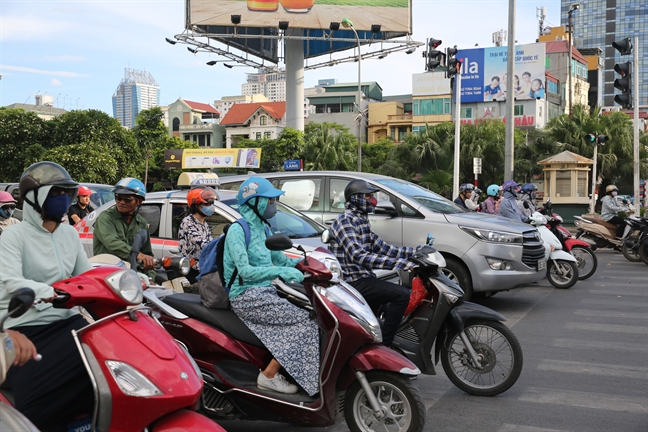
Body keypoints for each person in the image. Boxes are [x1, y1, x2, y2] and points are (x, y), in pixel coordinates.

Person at [0, 161, 94, 430]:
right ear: (32, 198)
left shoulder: (69, 234)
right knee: (38, 405)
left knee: (109, 366)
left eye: (66, 193)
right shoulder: (13, 236)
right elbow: (11, 280)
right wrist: (53, 293)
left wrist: (127, 283)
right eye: (55, 193)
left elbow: (86, 277)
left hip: (69, 321)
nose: (63, 199)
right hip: (24, 325)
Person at [224, 177, 319, 396]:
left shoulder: (264, 229)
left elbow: (281, 260)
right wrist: (281, 272)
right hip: (246, 295)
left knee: (313, 311)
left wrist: (307, 264)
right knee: (306, 322)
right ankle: (269, 375)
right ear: (254, 202)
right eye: (269, 201)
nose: (273, 205)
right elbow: (246, 271)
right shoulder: (237, 231)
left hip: (267, 291)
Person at [329, 179, 419, 347]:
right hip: (352, 282)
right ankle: (385, 345)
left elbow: (382, 247)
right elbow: (359, 256)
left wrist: (416, 252)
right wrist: (401, 264)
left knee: (391, 299)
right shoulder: (346, 221)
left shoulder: (360, 219)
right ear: (355, 198)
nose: (373, 200)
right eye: (368, 196)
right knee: (401, 294)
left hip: (364, 277)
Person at [93, 177, 156, 280]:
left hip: (132, 277)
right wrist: (137, 255)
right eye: (118, 198)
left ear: (139, 201)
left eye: (127, 199)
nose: (121, 202)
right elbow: (112, 242)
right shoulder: (106, 217)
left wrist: (150, 279)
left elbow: (147, 254)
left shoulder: (141, 223)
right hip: (107, 275)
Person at [178, 186, 218, 283]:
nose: (210, 207)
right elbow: (203, 244)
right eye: (207, 204)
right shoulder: (187, 223)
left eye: (211, 203)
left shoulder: (204, 223)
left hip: (204, 269)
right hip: (193, 271)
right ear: (196, 205)